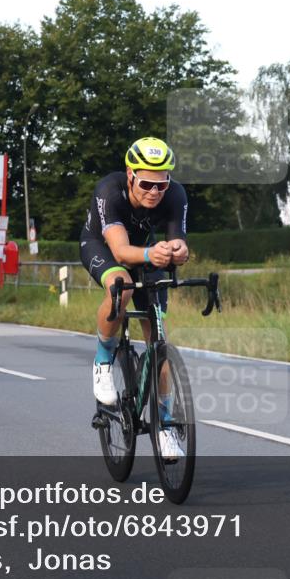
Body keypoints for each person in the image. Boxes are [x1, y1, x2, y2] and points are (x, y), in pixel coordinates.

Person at [79, 137, 189, 457]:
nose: (155, 192)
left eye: (161, 185)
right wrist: (151, 254)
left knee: (160, 344)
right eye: (146, 184)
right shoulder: (109, 191)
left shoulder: (175, 194)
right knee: (120, 285)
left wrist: (179, 251)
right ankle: (102, 362)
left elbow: (178, 241)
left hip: (147, 251)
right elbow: (121, 250)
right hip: (104, 246)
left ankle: (165, 426)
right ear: (130, 174)